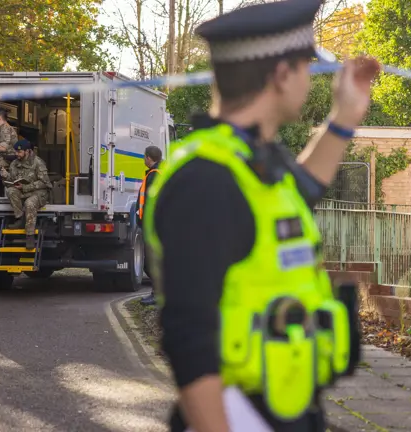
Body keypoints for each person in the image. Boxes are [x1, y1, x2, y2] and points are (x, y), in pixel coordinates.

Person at [142, 1, 381, 431]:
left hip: (284, 409)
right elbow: (188, 337)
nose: (311, 79)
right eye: (306, 67)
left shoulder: (250, 159)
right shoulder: (206, 179)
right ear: (282, 74)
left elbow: (299, 192)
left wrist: (346, 116)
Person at [1, 140, 51, 250]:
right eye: (16, 152)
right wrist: (5, 177)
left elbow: (45, 183)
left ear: (27, 151)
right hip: (23, 191)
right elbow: (11, 181)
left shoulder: (38, 162)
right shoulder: (14, 163)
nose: (17, 154)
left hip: (38, 192)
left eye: (19, 152)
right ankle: (20, 218)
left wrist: (25, 187)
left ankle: (30, 235)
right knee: (11, 191)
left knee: (29, 203)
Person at [137, 145, 162, 307]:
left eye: (144, 157)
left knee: (151, 261)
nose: (144, 159)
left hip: (153, 225)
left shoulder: (154, 175)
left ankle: (158, 294)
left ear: (148, 157)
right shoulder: (159, 172)